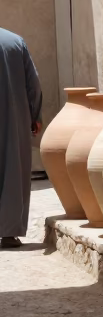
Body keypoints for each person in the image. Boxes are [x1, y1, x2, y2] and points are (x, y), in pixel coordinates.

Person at [0, 28, 42, 250]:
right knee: (13, 171)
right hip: (14, 118)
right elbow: (32, 83)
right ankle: (8, 233)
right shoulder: (15, 42)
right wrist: (35, 116)